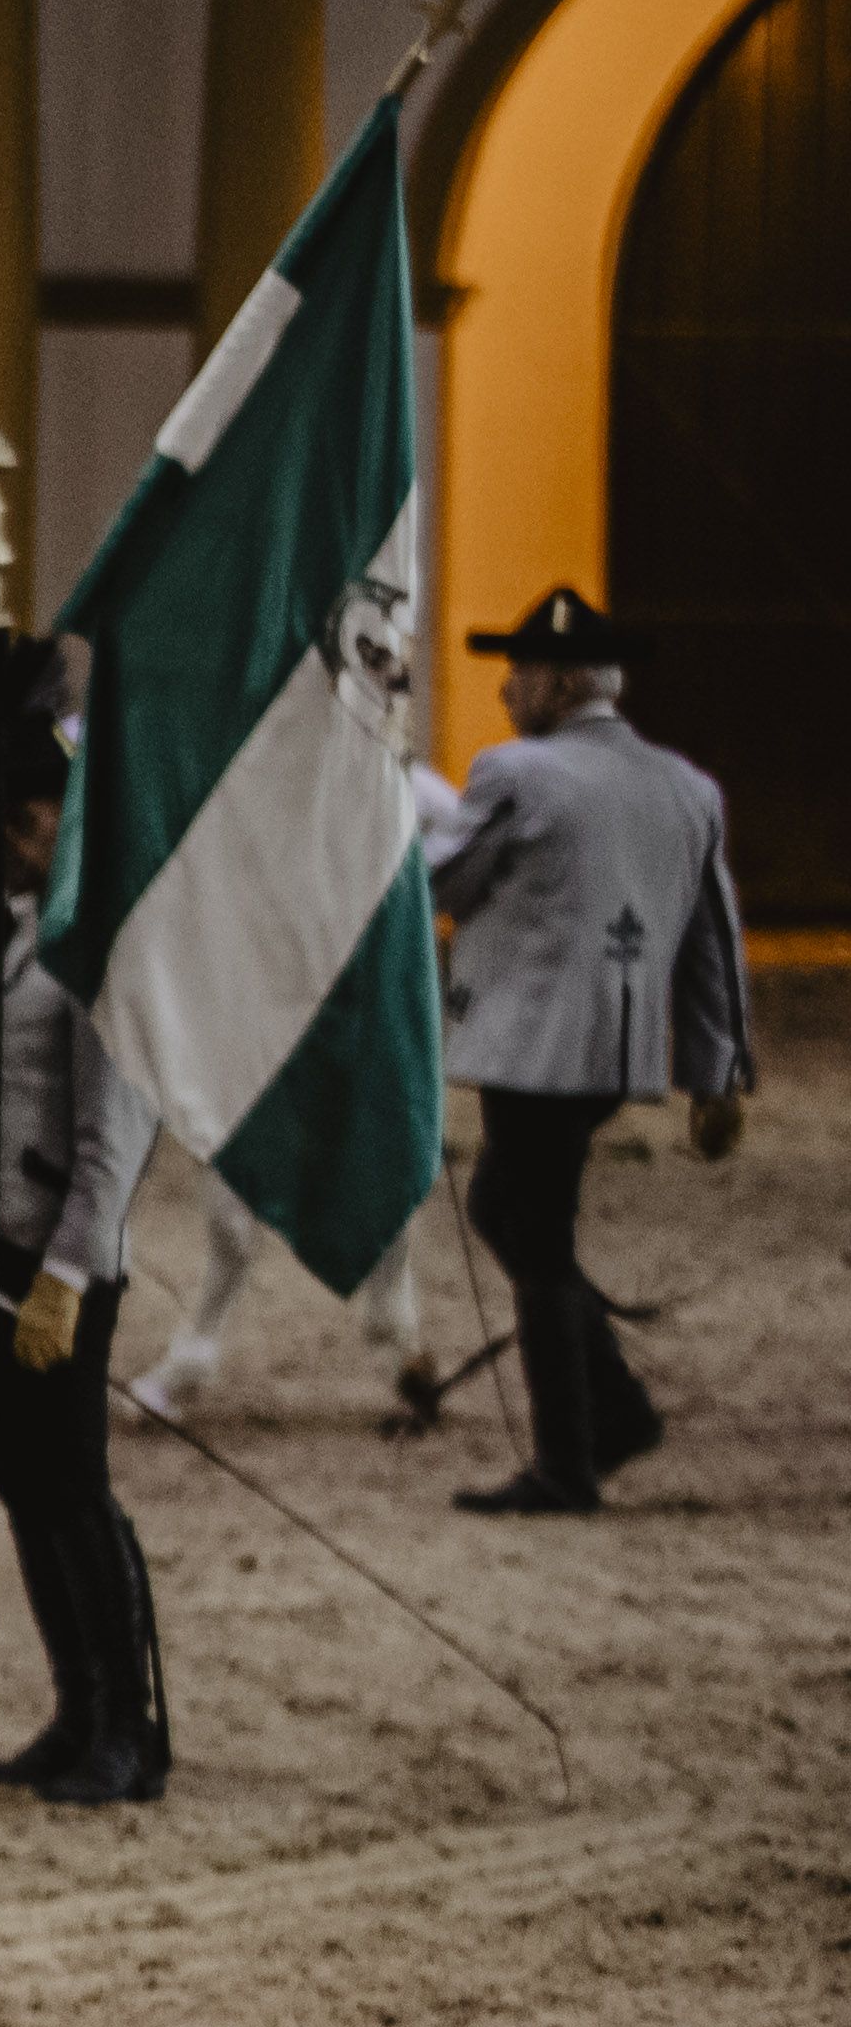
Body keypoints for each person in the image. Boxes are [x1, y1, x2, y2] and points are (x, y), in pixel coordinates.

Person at [430, 587, 757, 1516]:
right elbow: (712, 943)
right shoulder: (686, 789)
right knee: (522, 1217)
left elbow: (446, 878)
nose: (505, 692)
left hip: (531, 1046)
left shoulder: (515, 774)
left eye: (519, 672)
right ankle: (604, 1416)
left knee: (524, 1228)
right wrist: (718, 1070)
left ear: (564, 681)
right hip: (616, 1050)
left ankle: (573, 1457)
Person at [0, 698, 169, 1802]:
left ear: (40, 818)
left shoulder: (96, 945)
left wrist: (67, 1276)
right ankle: (76, 1707)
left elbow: (111, 1137)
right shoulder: (27, 928)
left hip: (54, 1263)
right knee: (22, 1487)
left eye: (6, 817)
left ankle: (128, 1726)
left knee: (72, 1489)